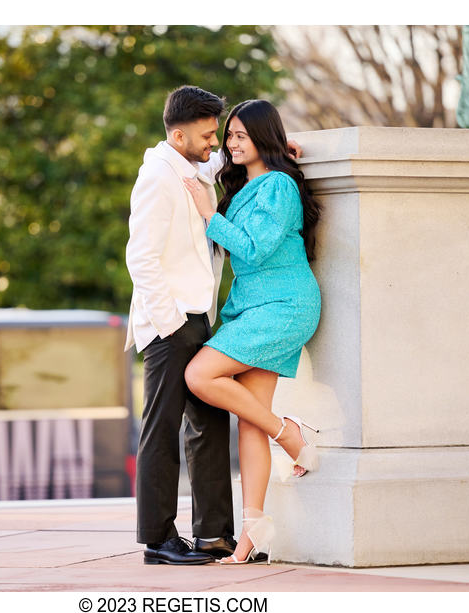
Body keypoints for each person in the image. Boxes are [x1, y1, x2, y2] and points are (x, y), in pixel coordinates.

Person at [126, 86, 302, 566]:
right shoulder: (158, 177)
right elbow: (139, 258)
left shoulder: (195, 166)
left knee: (207, 424)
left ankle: (214, 536)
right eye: (208, 136)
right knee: (160, 429)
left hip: (200, 316)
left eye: (219, 136)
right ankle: (158, 539)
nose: (216, 144)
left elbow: (234, 161)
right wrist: (168, 323)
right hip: (169, 321)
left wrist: (280, 149)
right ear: (179, 135)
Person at [181, 99, 322, 565]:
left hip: (283, 306)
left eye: (242, 135)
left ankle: (291, 434)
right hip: (252, 309)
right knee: (250, 419)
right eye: (230, 136)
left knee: (200, 376)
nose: (231, 143)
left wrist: (208, 214)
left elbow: (254, 250)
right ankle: (253, 531)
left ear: (263, 138)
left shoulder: (278, 185)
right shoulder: (247, 186)